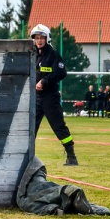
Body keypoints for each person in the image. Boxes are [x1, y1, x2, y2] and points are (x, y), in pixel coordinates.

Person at [30, 24, 78, 166]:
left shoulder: (53, 54)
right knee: (30, 129)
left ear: (47, 38)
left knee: (59, 127)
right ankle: (28, 158)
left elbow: (61, 73)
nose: (39, 41)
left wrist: (44, 81)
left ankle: (71, 156)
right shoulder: (33, 55)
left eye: (41, 38)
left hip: (50, 97)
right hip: (36, 98)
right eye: (37, 38)